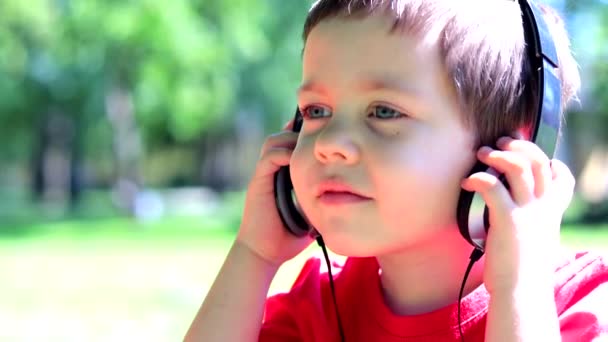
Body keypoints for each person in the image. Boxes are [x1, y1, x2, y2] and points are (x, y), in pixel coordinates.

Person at [185, 0, 608, 341]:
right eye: (316, 111)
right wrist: (253, 255)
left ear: (512, 153)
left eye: (384, 111)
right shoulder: (316, 307)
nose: (330, 144)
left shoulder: (573, 306)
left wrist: (521, 290)